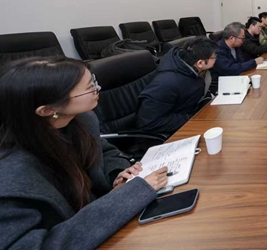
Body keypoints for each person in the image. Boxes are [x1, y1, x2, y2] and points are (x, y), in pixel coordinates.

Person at [0, 57, 168, 249]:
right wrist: (127, 196)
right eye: (90, 88)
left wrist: (119, 175)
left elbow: (104, 150)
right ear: (48, 110)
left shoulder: (79, 120)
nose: (98, 88)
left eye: (93, 81)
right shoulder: (10, 177)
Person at [138, 36, 217, 134]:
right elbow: (149, 122)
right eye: (214, 57)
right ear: (200, 63)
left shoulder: (195, 70)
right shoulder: (166, 83)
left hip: (193, 116)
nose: (216, 59)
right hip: (171, 132)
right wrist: (191, 118)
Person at [210, 22, 263, 91]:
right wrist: (254, 62)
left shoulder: (236, 46)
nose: (243, 41)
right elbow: (230, 69)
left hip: (236, 80)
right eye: (242, 38)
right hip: (223, 86)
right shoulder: (217, 51)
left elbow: (241, 62)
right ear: (232, 38)